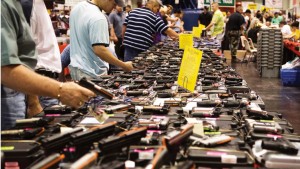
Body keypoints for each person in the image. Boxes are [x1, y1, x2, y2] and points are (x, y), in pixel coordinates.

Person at [1, 0, 95, 130]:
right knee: (16, 143)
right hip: (20, 90)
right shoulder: (22, 4)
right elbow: (6, 67)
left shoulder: (36, 5)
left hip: (38, 85)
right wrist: (55, 92)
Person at [69, 0, 133, 81]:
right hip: (92, 73)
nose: (114, 8)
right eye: (114, 4)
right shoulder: (98, 17)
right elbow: (100, 50)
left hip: (76, 69)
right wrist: (123, 65)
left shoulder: (77, 8)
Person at [20, 0, 63, 117]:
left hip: (47, 84)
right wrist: (33, 102)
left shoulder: (39, 4)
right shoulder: (27, 5)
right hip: (39, 86)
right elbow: (22, 53)